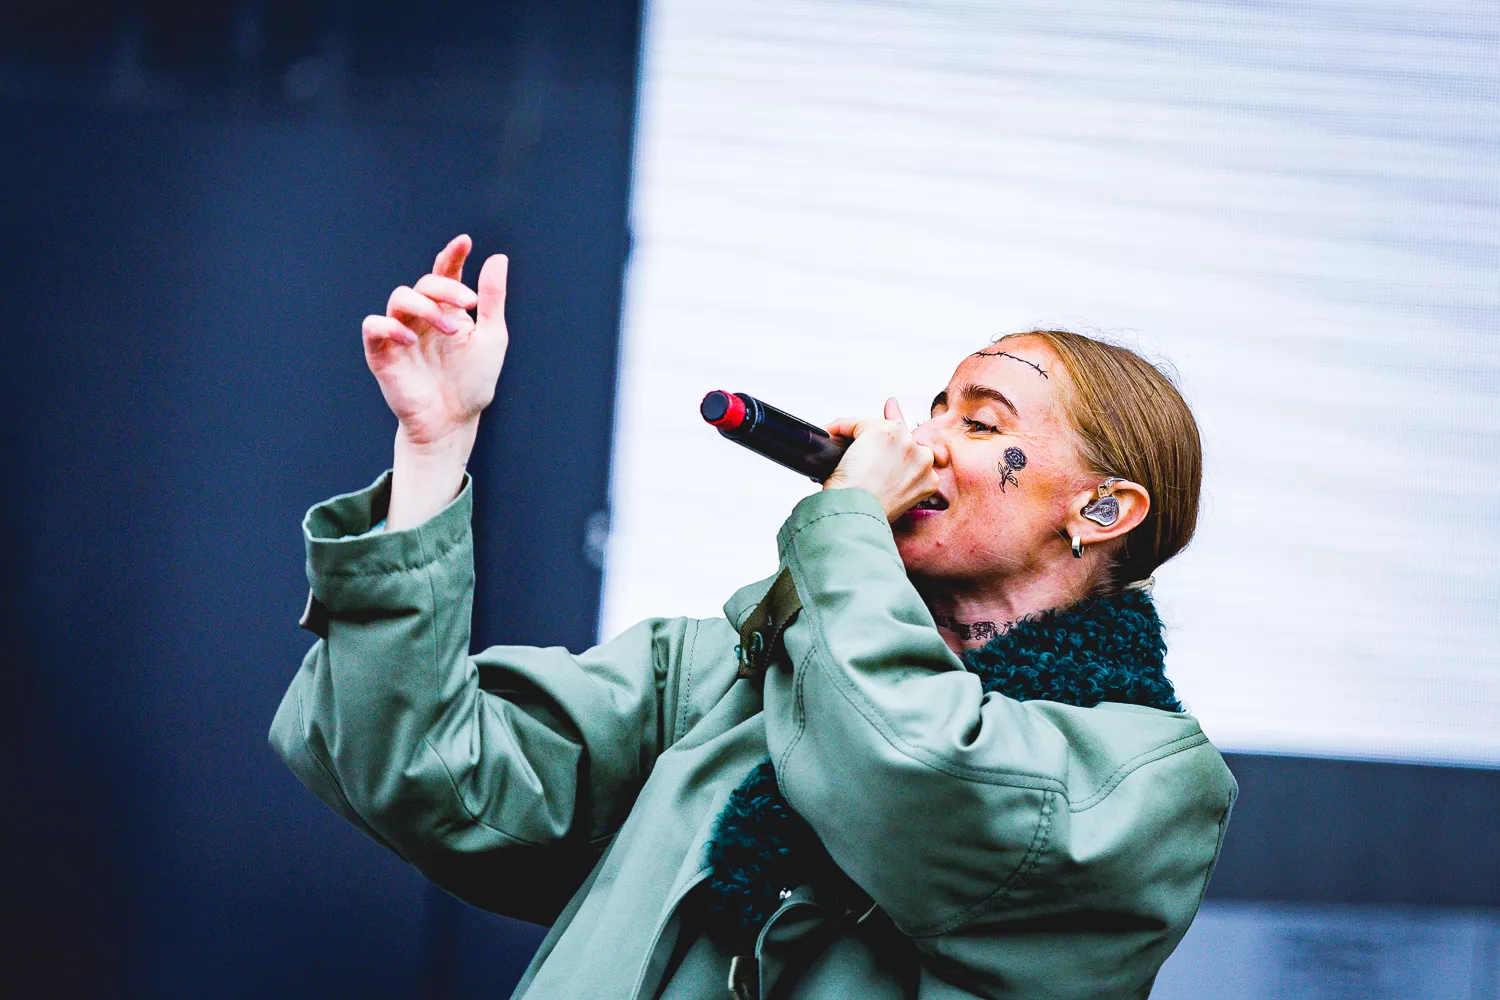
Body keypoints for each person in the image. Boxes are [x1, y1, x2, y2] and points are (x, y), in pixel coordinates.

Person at [271, 234, 1236, 999]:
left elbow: (915, 770)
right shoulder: (724, 674)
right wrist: (434, 448)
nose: (922, 440)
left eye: (980, 423)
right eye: (934, 409)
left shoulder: (1146, 786)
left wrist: (846, 523)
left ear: (1102, 509)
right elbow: (421, 763)